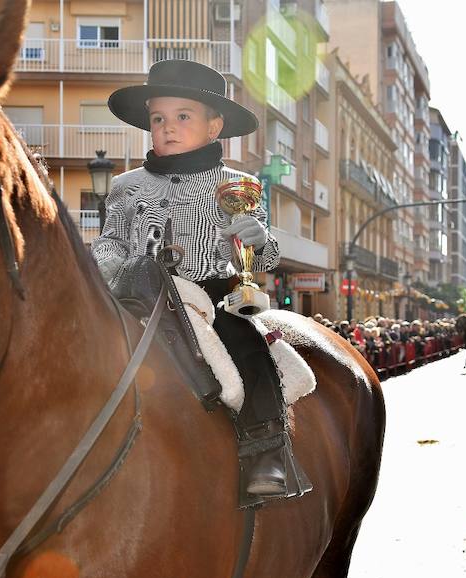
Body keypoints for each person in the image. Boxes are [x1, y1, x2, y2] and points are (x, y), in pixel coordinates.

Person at [93, 60, 307, 500]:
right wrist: (104, 264)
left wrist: (256, 237)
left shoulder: (239, 184)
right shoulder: (124, 186)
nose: (168, 128)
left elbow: (262, 257)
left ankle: (265, 450)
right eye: (158, 119)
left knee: (246, 344)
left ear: (214, 127)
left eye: (182, 117)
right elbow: (111, 240)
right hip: (140, 292)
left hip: (214, 293)